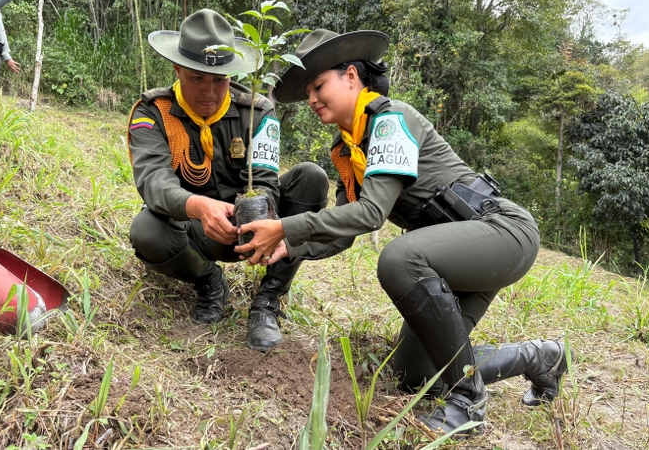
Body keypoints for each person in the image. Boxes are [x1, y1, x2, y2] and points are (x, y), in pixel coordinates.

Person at [235, 29, 571, 438]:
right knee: (416, 375)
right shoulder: (346, 150)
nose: (311, 99)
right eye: (308, 92)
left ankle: (468, 402)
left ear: (352, 77)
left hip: (501, 233)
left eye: (319, 85)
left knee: (398, 259)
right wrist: (289, 245)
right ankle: (541, 357)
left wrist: (285, 226)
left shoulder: (392, 120)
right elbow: (344, 230)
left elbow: (371, 213)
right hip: (448, 258)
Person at [126, 9, 329, 352]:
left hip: (255, 229)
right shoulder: (152, 113)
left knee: (311, 177)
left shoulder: (258, 112)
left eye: (219, 79)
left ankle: (268, 300)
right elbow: (153, 181)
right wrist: (197, 206)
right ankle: (209, 281)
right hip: (195, 230)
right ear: (177, 70)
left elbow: (265, 178)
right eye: (196, 78)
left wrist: (259, 215)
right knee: (146, 230)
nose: (209, 92)